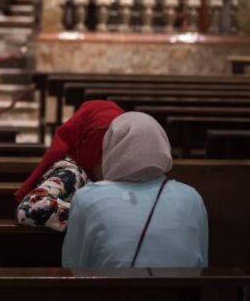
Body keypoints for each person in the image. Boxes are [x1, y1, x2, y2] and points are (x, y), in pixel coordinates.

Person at [62, 112, 208, 268]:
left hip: (110, 291)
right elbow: (202, 263)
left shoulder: (88, 198)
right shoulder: (191, 197)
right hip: (183, 291)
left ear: (111, 148)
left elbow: (73, 265)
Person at [15, 100, 124, 229]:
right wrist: (93, 213)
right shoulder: (70, 173)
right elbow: (28, 212)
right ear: (88, 144)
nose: (107, 157)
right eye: (100, 149)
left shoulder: (124, 170)